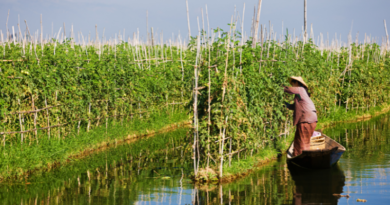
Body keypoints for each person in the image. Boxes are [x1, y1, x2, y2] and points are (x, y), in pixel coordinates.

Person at [283, 76, 317, 156]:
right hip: (312, 119)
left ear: (297, 83)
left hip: (306, 119)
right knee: (304, 140)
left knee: (301, 141)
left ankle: (301, 157)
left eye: (293, 83)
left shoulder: (300, 89)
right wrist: (286, 105)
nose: (292, 85)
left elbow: (288, 89)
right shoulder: (302, 94)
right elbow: (295, 107)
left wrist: (278, 87)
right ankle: (303, 156)